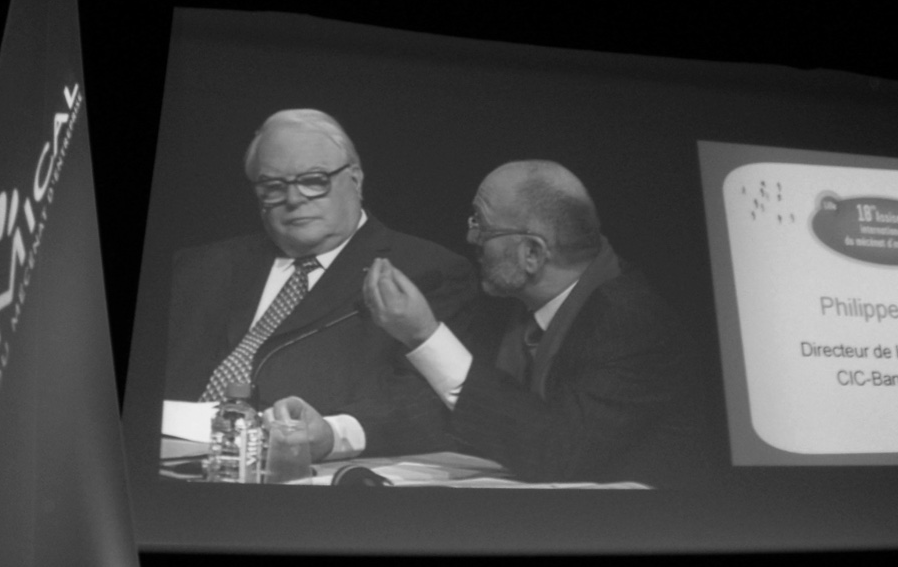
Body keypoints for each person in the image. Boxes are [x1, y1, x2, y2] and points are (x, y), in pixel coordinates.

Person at [277, 160, 706, 484]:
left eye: (481, 224)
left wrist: (424, 335)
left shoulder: (630, 323)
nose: (469, 239)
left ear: (532, 254)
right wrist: (332, 435)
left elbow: (555, 453)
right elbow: (449, 403)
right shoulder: (508, 302)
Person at [164, 109, 478, 460]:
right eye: (273, 187)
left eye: (314, 180)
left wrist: (332, 436)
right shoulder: (200, 267)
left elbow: (425, 400)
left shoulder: (426, 271)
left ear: (356, 180)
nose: (294, 199)